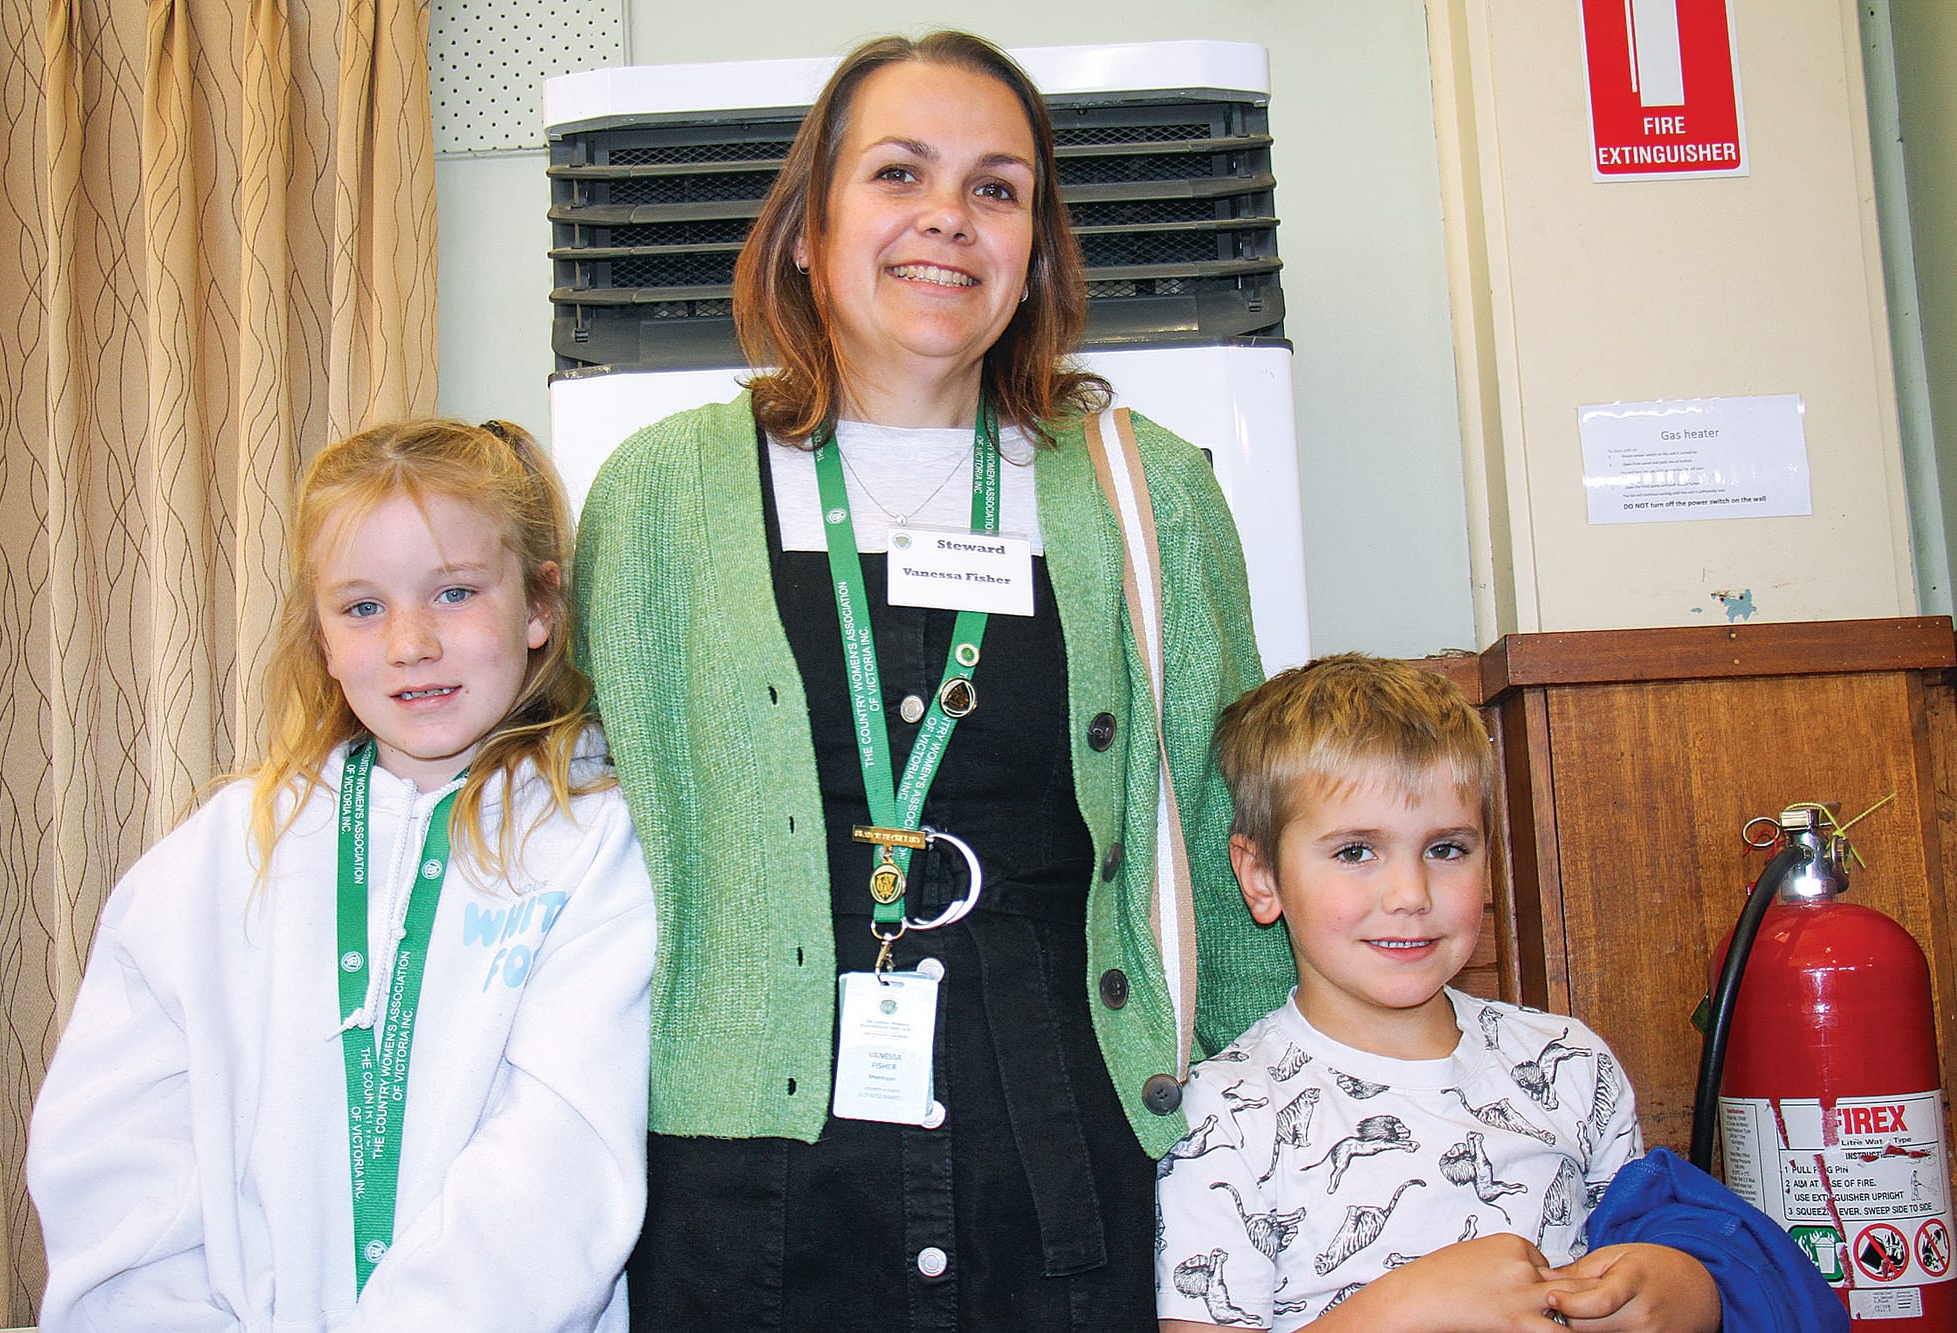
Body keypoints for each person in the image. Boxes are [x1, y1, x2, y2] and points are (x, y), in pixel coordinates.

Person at [574, 30, 1289, 1330]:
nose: (948, 219)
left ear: (1038, 252)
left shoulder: (1153, 495)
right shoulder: (660, 496)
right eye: (900, 174)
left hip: (1071, 1169)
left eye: (997, 189)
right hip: (751, 1204)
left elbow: (1232, 843)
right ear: (808, 228)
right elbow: (581, 847)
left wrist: (1263, 1188)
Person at [28, 419, 655, 1331]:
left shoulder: (595, 841)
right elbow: (120, 1157)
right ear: (320, 634)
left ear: (539, 606)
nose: (409, 643)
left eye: (454, 592)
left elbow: (562, 1156)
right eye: (362, 607)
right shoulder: (225, 855)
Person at [1157, 654, 1838, 1332]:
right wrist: (1407, 1308)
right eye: (1356, 851)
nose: (1411, 895)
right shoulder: (1225, 1115)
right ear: (1261, 875)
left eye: (1447, 848)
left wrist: (1690, 1288)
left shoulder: (1569, 1060)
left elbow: (1653, 1236)